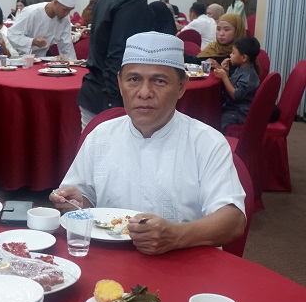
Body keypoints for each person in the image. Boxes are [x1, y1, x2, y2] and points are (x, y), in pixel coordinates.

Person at [50, 31, 246, 255]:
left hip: (185, 262)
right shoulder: (101, 135)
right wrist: (76, 203)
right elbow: (84, 199)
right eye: (133, 80)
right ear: (120, 83)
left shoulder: (207, 142)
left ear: (181, 86)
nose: (144, 93)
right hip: (112, 262)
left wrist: (175, 236)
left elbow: (233, 220)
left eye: (159, 81)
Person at [77, 0, 167, 130]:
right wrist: (115, 107)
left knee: (90, 145)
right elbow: (119, 57)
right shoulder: (133, 0)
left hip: (93, 91)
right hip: (108, 99)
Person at [7, 0, 77, 59]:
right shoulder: (31, 13)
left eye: (70, 10)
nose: (67, 13)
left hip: (42, 59)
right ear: (55, 3)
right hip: (19, 58)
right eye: (65, 10)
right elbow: (11, 35)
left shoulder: (65, 18)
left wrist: (73, 63)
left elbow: (66, 46)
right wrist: (32, 41)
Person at [215, 36, 261, 131]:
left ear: (244, 58)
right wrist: (226, 72)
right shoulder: (240, 68)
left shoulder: (249, 75)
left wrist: (224, 77)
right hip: (231, 106)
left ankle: (222, 137)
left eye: (233, 53)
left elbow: (235, 95)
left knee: (218, 121)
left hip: (239, 112)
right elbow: (232, 84)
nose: (230, 55)